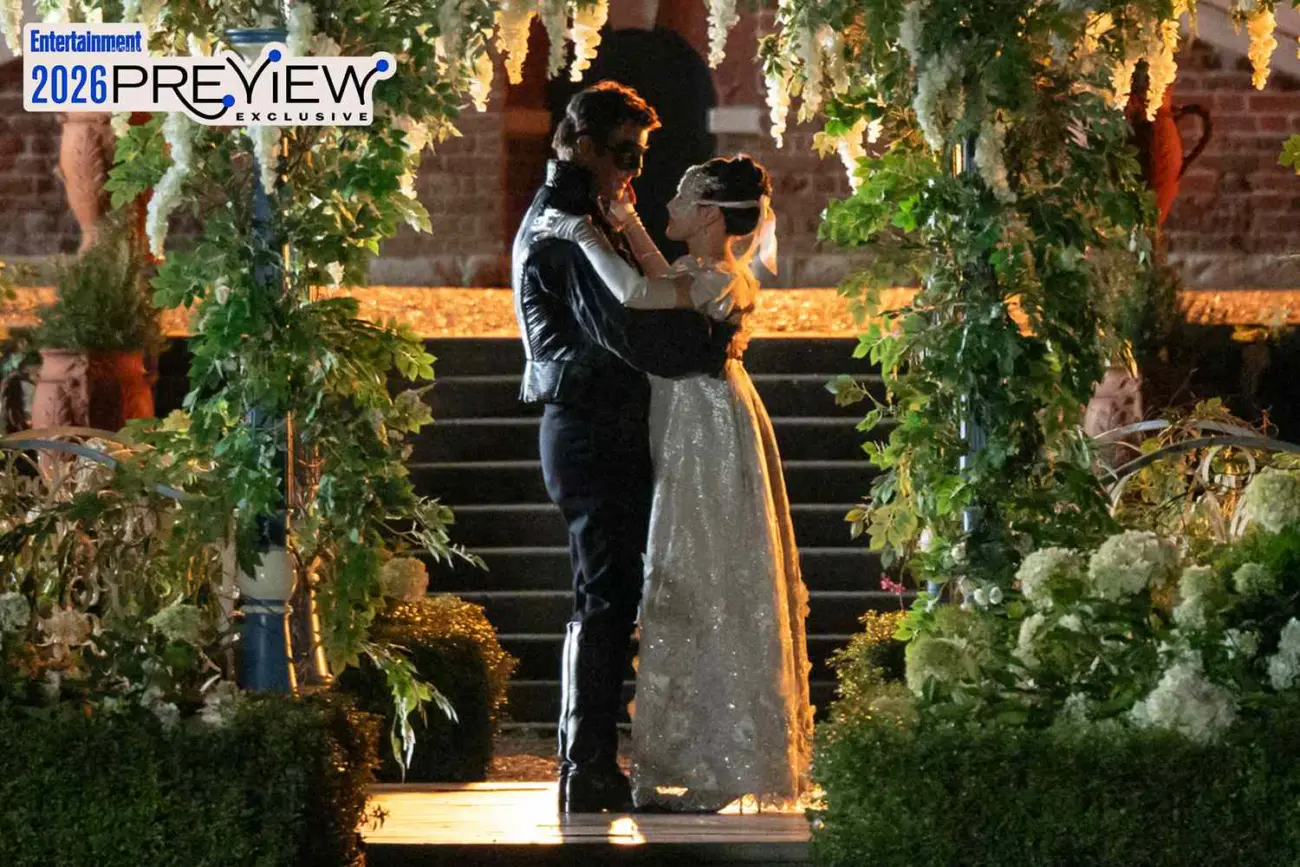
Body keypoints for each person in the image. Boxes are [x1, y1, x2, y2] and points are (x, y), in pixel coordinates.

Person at [534, 155, 813, 813]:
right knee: (681, 566)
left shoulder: (724, 279)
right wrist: (628, 223)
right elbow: (662, 277)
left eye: (683, 198)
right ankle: (691, 749)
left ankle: (717, 753)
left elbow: (638, 294)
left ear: (710, 214)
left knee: (701, 566)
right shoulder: (701, 271)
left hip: (705, 430)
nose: (668, 205)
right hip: (685, 421)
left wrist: (583, 234)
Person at [511, 81, 736, 814]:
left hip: (596, 424)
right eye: (624, 154)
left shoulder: (583, 219)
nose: (633, 171)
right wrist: (712, 342)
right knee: (605, 597)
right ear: (583, 147)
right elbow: (629, 331)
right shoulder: (565, 228)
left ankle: (588, 762)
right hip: (589, 427)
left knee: (606, 595)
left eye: (639, 156)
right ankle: (587, 767)